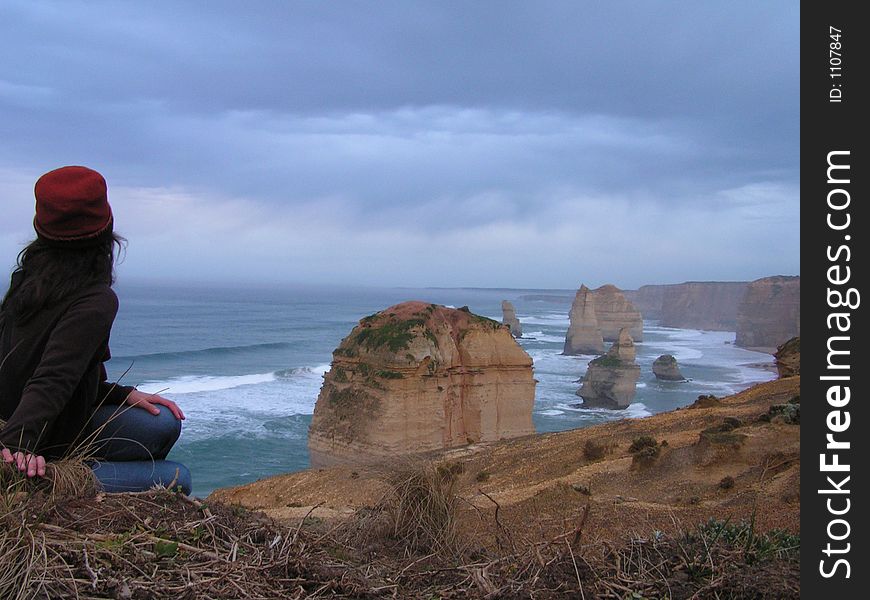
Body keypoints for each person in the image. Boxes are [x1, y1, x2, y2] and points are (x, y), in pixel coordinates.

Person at [0, 165, 192, 494]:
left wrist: (120, 394)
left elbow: (46, 366)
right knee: (178, 476)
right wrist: (15, 447)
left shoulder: (29, 277)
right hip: (40, 438)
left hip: (32, 416)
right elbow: (53, 379)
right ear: (106, 228)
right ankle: (55, 480)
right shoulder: (96, 300)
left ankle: (76, 465)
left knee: (163, 424)